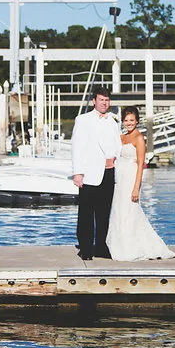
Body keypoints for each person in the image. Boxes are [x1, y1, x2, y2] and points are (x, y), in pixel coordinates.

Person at [106, 106, 175, 261]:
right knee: (118, 212)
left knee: (130, 212)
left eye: (131, 120)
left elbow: (140, 165)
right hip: (120, 180)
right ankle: (119, 247)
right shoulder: (122, 137)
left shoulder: (139, 138)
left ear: (137, 121)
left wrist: (136, 188)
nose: (129, 123)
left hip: (131, 179)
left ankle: (132, 248)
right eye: (126, 120)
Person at [70, 85, 122, 260]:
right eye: (101, 100)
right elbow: (77, 148)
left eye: (107, 100)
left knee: (104, 213)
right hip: (89, 173)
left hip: (109, 172)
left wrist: (116, 161)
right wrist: (77, 173)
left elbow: (117, 146)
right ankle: (85, 248)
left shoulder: (113, 121)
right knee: (86, 213)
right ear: (94, 101)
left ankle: (101, 246)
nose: (104, 103)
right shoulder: (82, 120)